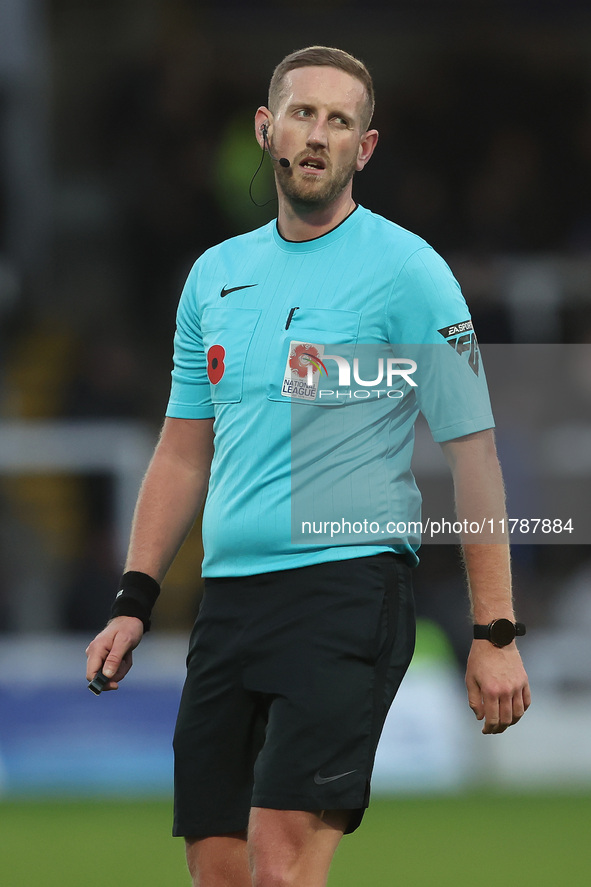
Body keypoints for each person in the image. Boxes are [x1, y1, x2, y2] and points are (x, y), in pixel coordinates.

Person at [86, 46, 531, 887]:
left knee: (282, 863)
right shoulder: (213, 277)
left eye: (339, 121)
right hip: (230, 602)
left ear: (364, 149)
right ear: (266, 129)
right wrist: (133, 600)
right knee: (218, 868)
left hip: (348, 590)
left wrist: (494, 631)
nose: (317, 134)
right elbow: (183, 450)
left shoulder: (409, 272)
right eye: (302, 113)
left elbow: (473, 455)